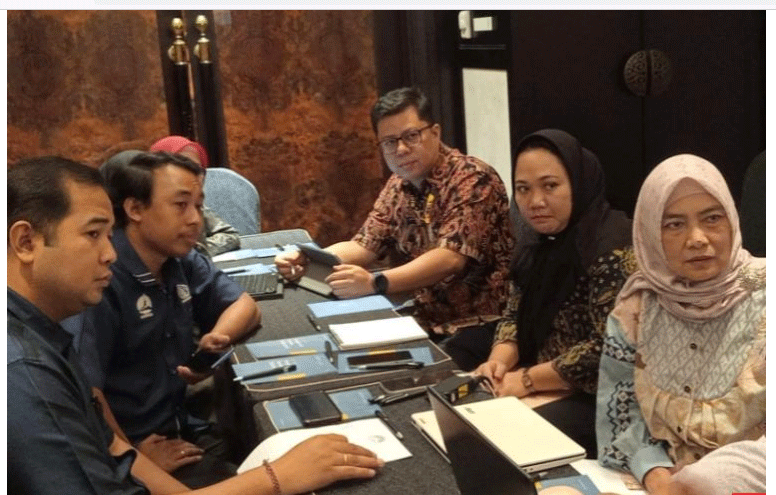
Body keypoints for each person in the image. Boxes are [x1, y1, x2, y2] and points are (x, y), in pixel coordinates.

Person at [8, 156, 383, 495]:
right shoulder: (23, 371)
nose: (109, 253)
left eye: (108, 235)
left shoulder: (43, 332)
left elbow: (112, 444)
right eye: (93, 235)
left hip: (172, 429)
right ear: (26, 241)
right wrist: (276, 479)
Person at [66, 151, 261, 487]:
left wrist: (214, 340)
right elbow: (86, 393)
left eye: (198, 205)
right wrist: (132, 459)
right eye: (180, 205)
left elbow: (246, 306)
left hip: (182, 423)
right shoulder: (102, 278)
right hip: (135, 447)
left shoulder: (178, 257)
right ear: (135, 209)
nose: (195, 219)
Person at [275, 87, 513, 338]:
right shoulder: (400, 182)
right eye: (390, 142)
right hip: (422, 315)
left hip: (479, 324)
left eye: (411, 136)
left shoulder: (473, 178)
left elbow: (449, 259)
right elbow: (365, 244)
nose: (401, 149)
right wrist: (309, 259)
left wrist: (375, 282)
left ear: (435, 132)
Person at [595, 154, 765, 494]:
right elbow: (622, 415)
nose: (697, 238)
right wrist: (656, 475)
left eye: (712, 218)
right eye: (674, 224)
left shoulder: (764, 293)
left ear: (733, 220)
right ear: (650, 234)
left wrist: (709, 479)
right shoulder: (637, 306)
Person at [475, 129, 633, 458]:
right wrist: (498, 363)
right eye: (523, 189)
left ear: (577, 183)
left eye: (550, 186)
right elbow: (515, 312)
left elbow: (607, 349)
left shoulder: (612, 249)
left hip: (600, 393)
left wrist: (526, 381)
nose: (535, 202)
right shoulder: (536, 242)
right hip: (539, 374)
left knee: (506, 442)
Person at [148, 136, 241, 257]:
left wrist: (198, 252)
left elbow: (230, 235)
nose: (194, 219)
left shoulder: (197, 206)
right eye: (185, 168)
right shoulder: (147, 212)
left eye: (198, 169)